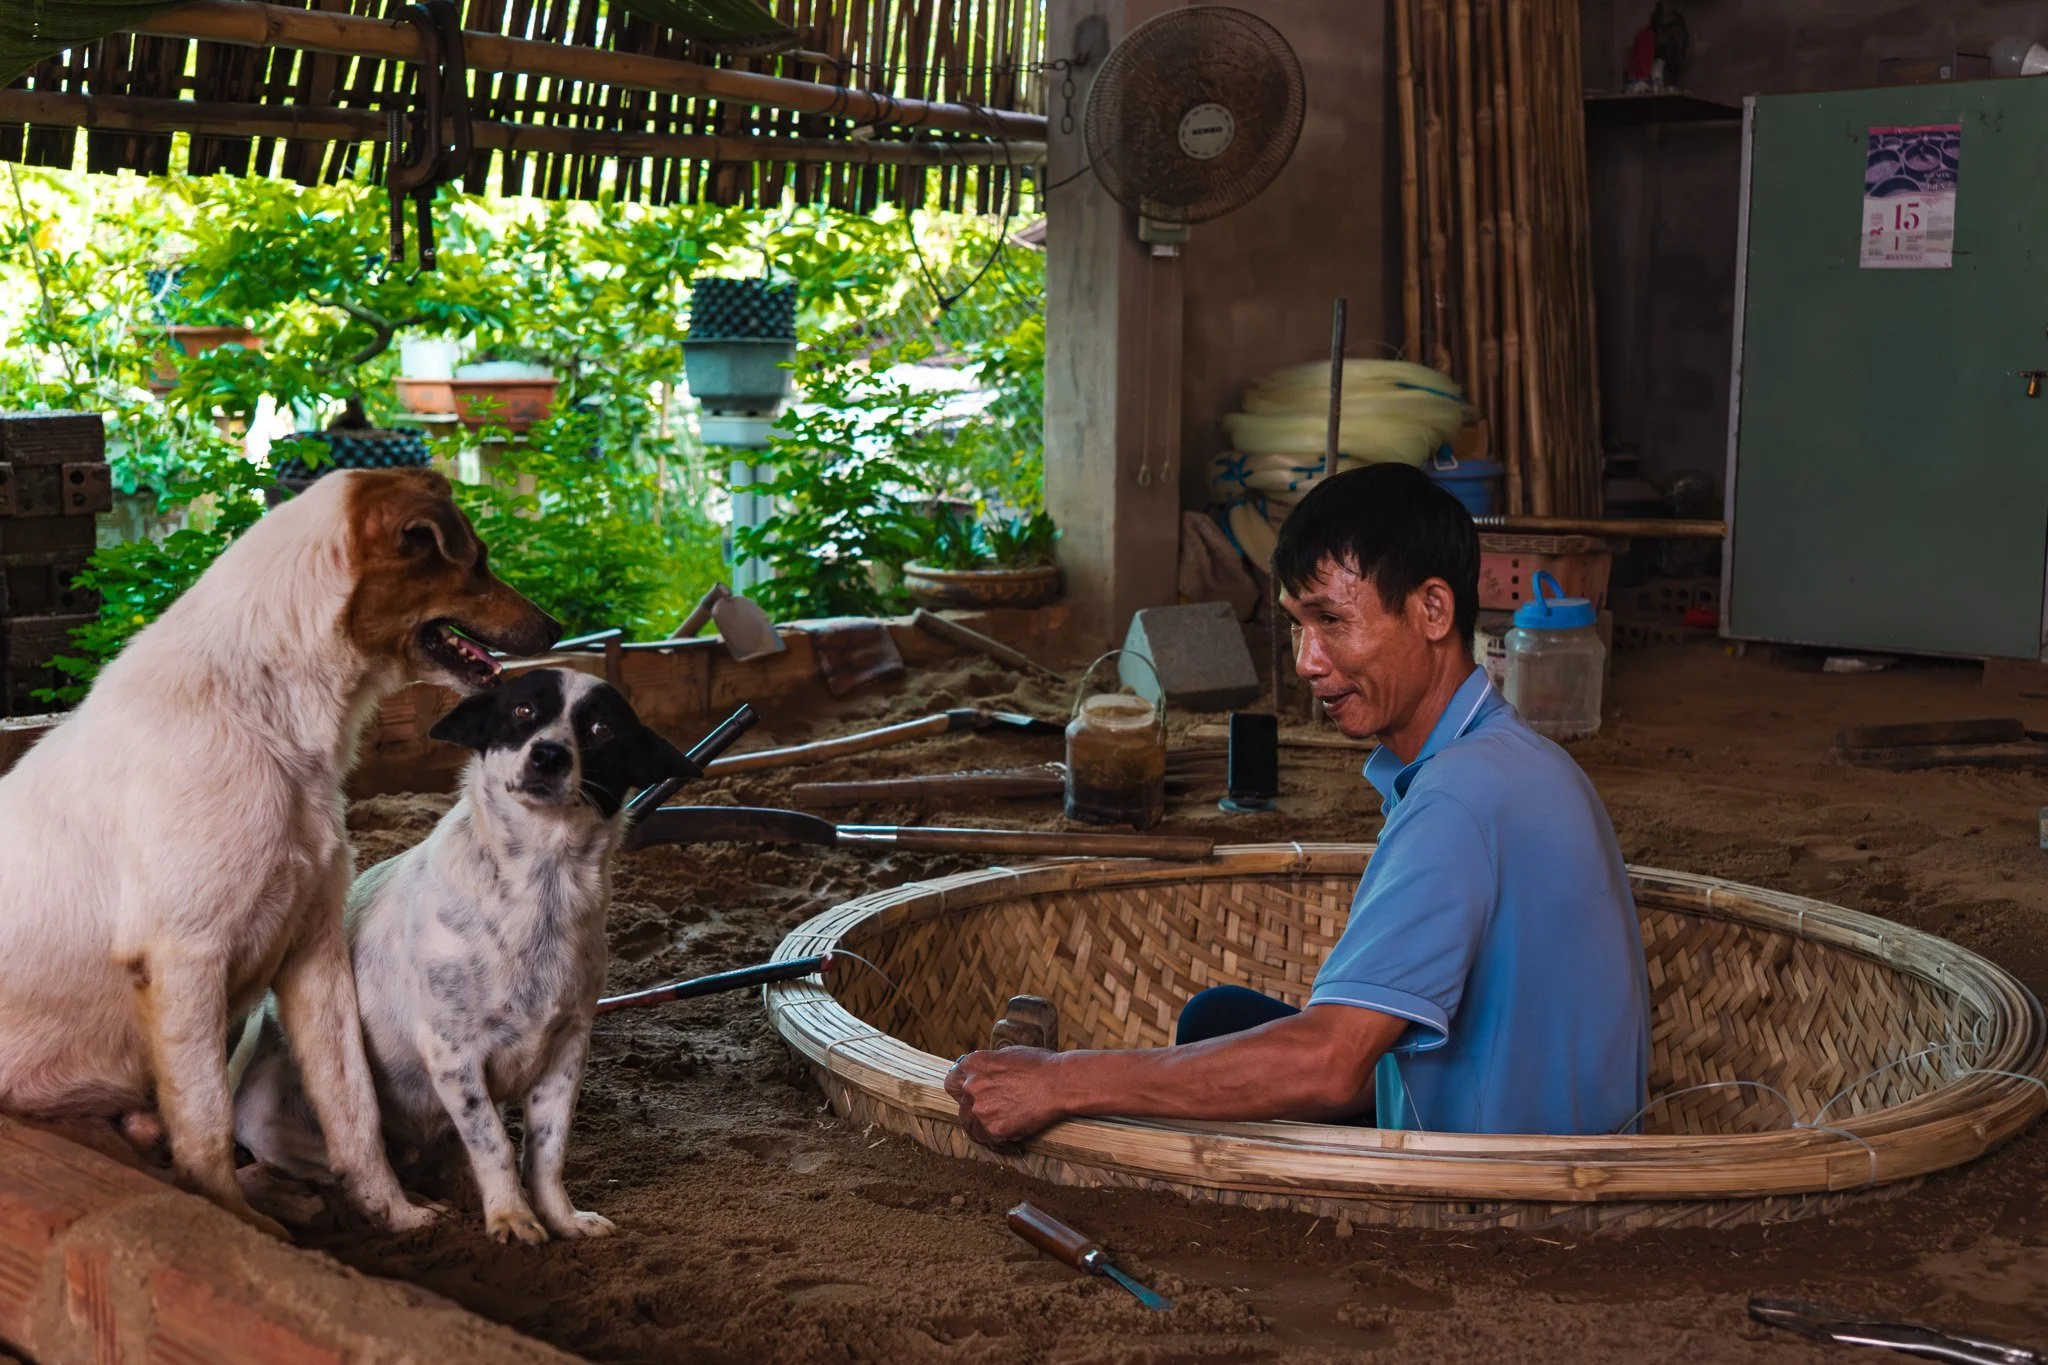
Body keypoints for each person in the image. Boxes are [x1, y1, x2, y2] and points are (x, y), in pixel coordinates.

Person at [944, 462, 1650, 1141]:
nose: (1308, 659)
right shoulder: (1516, 758)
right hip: (1545, 1130)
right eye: (1296, 623)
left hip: (1498, 1182)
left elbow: (1332, 1065)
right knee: (1219, 1018)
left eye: (1332, 621)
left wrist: (1062, 1080)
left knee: (1272, 1053)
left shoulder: (1459, 798)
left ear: (1432, 609)